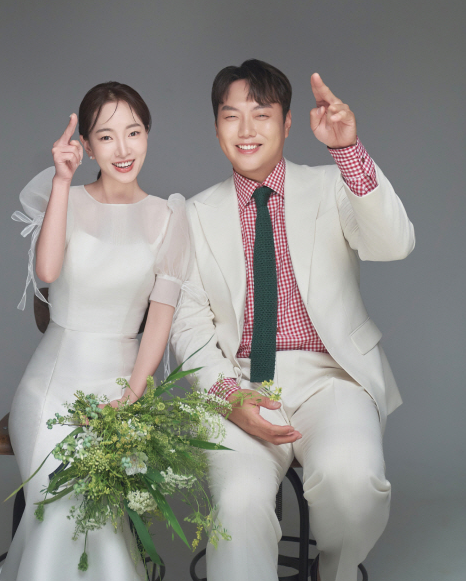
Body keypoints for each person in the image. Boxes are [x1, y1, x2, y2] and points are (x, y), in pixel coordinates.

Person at [170, 59, 415, 581]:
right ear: (216, 126)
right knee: (238, 503)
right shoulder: (193, 214)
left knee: (353, 481)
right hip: (238, 382)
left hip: (332, 378)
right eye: (231, 116)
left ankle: (333, 572)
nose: (246, 129)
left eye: (261, 114)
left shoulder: (331, 185)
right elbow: (188, 324)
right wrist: (228, 396)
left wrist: (347, 150)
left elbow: (394, 244)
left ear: (286, 123)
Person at [0, 82, 191, 581]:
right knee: (59, 507)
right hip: (52, 384)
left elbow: (160, 319)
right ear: (85, 144)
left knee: (98, 518)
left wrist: (132, 396)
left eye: (134, 132)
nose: (123, 148)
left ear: (148, 134)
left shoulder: (168, 216)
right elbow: (46, 271)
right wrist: (62, 182)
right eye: (106, 136)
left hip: (121, 388)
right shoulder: (66, 197)